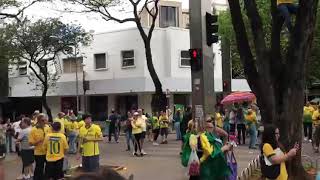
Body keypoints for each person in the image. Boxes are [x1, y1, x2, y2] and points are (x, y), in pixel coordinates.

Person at [29, 113, 51, 180]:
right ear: (38, 120)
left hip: (48, 152)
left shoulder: (47, 127)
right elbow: (30, 144)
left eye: (45, 120)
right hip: (39, 153)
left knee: (48, 167)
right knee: (39, 168)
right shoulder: (33, 130)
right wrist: (38, 141)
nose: (45, 122)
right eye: (43, 120)